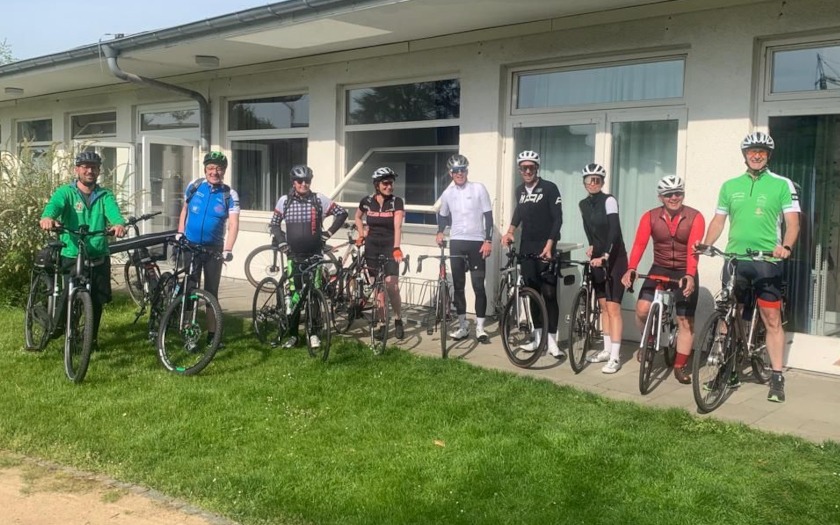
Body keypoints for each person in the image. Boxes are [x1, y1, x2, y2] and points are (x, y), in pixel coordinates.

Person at [700, 131, 800, 403]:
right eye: (752, 151)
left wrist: (786, 247)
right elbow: (719, 221)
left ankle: (777, 376)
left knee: (771, 320)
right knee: (728, 317)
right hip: (735, 262)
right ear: (744, 155)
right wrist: (705, 244)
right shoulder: (730, 185)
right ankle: (726, 367)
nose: (756, 155)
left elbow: (793, 223)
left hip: (767, 262)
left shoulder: (782, 184)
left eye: (762, 152)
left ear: (768, 156)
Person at [621, 175, 705, 384]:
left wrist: (690, 275)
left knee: (685, 320)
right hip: (660, 266)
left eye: (678, 193)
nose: (674, 197)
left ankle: (679, 365)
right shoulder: (650, 217)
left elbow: (694, 250)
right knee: (642, 309)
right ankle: (648, 341)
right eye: (669, 194)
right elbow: (639, 245)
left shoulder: (695, 217)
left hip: (685, 269)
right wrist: (631, 268)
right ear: (661, 197)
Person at [39, 151, 127, 347]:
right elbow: (54, 206)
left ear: (98, 171)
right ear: (76, 169)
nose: (90, 170)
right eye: (85, 167)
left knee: (97, 301)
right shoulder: (66, 193)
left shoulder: (105, 195)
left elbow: (115, 213)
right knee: (69, 294)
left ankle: (90, 339)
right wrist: (48, 218)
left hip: (97, 253)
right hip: (71, 252)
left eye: (94, 167)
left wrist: (118, 224)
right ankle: (63, 328)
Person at [269, 165, 348, 349]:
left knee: (314, 293)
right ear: (293, 183)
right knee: (296, 296)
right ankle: (294, 335)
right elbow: (274, 224)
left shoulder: (318, 199)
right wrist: (281, 242)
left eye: (307, 181)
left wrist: (327, 233)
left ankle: (314, 333)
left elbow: (342, 213)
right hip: (293, 256)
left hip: (315, 255)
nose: (304, 184)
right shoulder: (284, 201)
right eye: (300, 181)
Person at [501, 150, 564, 358]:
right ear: (520, 170)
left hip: (546, 246)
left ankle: (552, 340)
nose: (527, 171)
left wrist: (549, 245)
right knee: (532, 293)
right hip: (526, 246)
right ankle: (538, 338)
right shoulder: (520, 190)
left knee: (548, 294)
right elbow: (518, 212)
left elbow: (558, 219)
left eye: (531, 167)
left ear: (537, 168)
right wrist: (510, 231)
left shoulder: (549, 188)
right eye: (524, 168)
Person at [176, 151, 240, 345]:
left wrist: (227, 249)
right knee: (190, 289)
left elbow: (234, 224)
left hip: (214, 250)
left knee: (211, 292)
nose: (215, 172)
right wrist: (180, 232)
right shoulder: (195, 186)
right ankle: (188, 332)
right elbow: (185, 210)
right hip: (190, 245)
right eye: (211, 168)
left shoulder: (229, 194)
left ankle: (213, 335)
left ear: (224, 171)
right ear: (205, 169)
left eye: (219, 168)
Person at [436, 154, 494, 343]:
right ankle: (462, 326)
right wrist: (440, 231)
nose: (459, 174)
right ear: (450, 173)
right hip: (457, 242)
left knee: (478, 286)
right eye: (455, 171)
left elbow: (488, 217)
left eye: (462, 170)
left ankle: (480, 328)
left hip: (477, 242)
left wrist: (488, 240)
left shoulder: (478, 188)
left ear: (467, 171)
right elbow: (443, 215)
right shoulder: (448, 193)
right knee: (459, 287)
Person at [579, 163, 628, 374]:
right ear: (584, 183)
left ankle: (616, 357)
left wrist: (606, 254)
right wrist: (592, 245)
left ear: (602, 182)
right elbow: (589, 229)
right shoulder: (583, 204)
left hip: (615, 258)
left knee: (613, 308)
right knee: (603, 307)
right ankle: (607, 351)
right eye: (589, 180)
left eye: (597, 180)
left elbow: (614, 231)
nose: (593, 183)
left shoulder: (609, 200)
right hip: (597, 258)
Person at [355, 167, 406, 340]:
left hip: (390, 246)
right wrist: (361, 234)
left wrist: (396, 247)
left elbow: (398, 226)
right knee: (378, 289)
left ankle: (398, 319)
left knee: (392, 286)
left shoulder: (397, 202)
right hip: (371, 248)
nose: (389, 186)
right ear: (377, 185)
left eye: (391, 183)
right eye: (385, 183)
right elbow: (357, 217)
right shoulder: (367, 201)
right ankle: (383, 324)